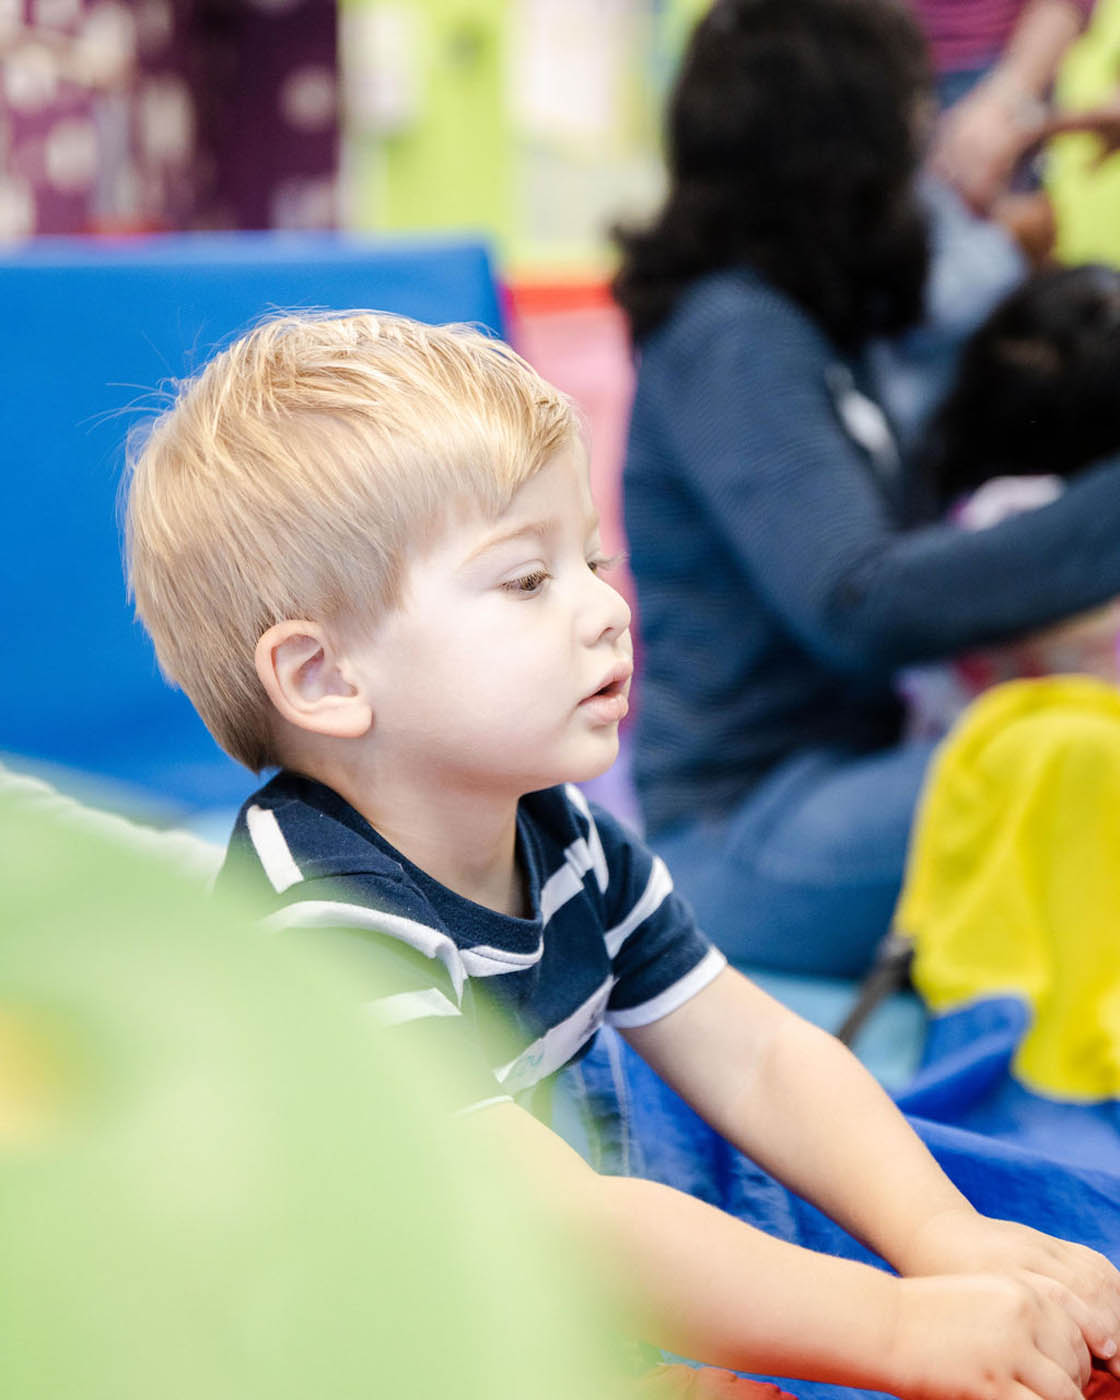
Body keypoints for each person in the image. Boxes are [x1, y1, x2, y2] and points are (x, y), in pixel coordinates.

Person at [123, 308, 1120, 1395]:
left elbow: (758, 1054)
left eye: (591, 558)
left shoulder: (564, 835)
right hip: (352, 1342)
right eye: (525, 581)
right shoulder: (320, 926)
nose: (606, 609)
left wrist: (942, 1238)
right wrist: (894, 1325)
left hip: (517, 1283)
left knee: (1015, 1213)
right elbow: (559, 1221)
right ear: (325, 678)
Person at [614, 0, 1120, 979]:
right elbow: (859, 597)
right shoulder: (732, 336)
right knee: (1073, 761)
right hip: (748, 834)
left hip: (845, 784)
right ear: (839, 158)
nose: (924, 151)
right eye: (912, 121)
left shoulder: (811, 322)